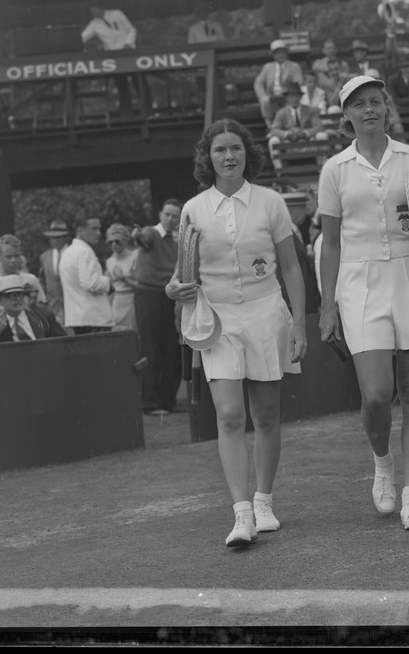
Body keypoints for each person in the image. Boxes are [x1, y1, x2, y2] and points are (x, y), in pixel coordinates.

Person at [317, 74, 409, 531]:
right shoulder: (335, 169)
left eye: (377, 101)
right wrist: (327, 304)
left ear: (387, 108)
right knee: (376, 395)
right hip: (360, 282)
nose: (370, 109)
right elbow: (330, 244)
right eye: (360, 104)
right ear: (347, 116)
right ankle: (382, 461)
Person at [167, 118, 307, 548]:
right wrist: (175, 289)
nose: (229, 156)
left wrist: (299, 322)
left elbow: (290, 268)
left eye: (236, 149)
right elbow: (179, 276)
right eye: (220, 150)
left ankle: (264, 502)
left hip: (267, 313)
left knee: (265, 415)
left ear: (248, 154)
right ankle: (241, 514)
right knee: (229, 415)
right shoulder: (193, 209)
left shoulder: (270, 202)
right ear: (207, 158)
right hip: (216, 320)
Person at [133, 199, 184, 415]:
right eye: (168, 215)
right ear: (161, 214)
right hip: (149, 296)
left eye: (175, 216)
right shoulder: (152, 233)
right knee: (151, 348)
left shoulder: (177, 241)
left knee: (172, 349)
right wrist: (137, 235)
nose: (171, 219)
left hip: (170, 296)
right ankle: (150, 403)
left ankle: (167, 401)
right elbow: (142, 238)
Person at [80, 0, 141, 118]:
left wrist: (128, 44)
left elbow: (131, 29)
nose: (93, 13)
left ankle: (147, 111)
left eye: (95, 10)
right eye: (91, 11)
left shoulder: (117, 14)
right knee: (121, 85)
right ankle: (126, 115)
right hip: (113, 58)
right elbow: (83, 37)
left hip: (128, 52)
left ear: (101, 8)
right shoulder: (94, 23)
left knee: (139, 81)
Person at [59, 217, 114, 335]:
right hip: (94, 320)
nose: (98, 233)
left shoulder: (67, 252)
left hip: (75, 320)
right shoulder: (85, 251)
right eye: (94, 229)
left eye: (99, 229)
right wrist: (108, 280)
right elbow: (91, 284)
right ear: (80, 230)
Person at [266, 80, 330, 172]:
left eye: (297, 96)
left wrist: (304, 133)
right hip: (289, 144)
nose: (294, 99)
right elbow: (273, 130)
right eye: (292, 96)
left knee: (322, 136)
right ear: (287, 98)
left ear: (300, 97)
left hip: (308, 143)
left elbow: (320, 127)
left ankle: (323, 170)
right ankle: (280, 173)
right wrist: (287, 134)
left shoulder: (309, 110)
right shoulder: (282, 112)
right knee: (273, 140)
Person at [0, 275, 68, 342]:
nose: (17, 299)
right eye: (10, 295)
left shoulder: (44, 317)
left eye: (20, 294)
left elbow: (63, 342)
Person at [254, 39, 304, 125]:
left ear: (286, 53)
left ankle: (291, 125)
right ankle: (270, 126)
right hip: (272, 96)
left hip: (287, 95)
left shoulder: (294, 66)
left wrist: (288, 92)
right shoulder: (268, 67)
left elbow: (298, 82)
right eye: (278, 53)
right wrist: (263, 96)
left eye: (282, 52)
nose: (281, 55)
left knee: (292, 99)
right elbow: (258, 83)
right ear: (273, 55)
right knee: (265, 101)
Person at [0, 234, 47, 307]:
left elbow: (43, 306)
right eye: (8, 257)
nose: (13, 260)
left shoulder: (30, 279)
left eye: (17, 256)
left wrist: (34, 302)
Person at [105, 222, 139, 331]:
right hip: (115, 301)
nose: (114, 245)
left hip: (131, 300)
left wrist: (123, 278)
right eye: (111, 242)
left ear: (125, 240)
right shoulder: (110, 261)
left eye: (117, 241)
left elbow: (140, 284)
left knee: (131, 332)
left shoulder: (135, 256)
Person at [39, 220, 71, 326]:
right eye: (53, 238)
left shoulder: (73, 253)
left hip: (72, 305)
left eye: (59, 237)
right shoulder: (44, 257)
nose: (56, 241)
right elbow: (42, 280)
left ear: (66, 237)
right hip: (53, 307)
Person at [311, 39, 350, 108]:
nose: (330, 50)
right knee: (320, 74)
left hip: (340, 88)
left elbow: (345, 77)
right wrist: (329, 69)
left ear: (336, 49)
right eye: (328, 48)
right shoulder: (318, 63)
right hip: (324, 90)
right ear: (323, 50)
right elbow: (314, 67)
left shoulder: (343, 64)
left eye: (332, 48)